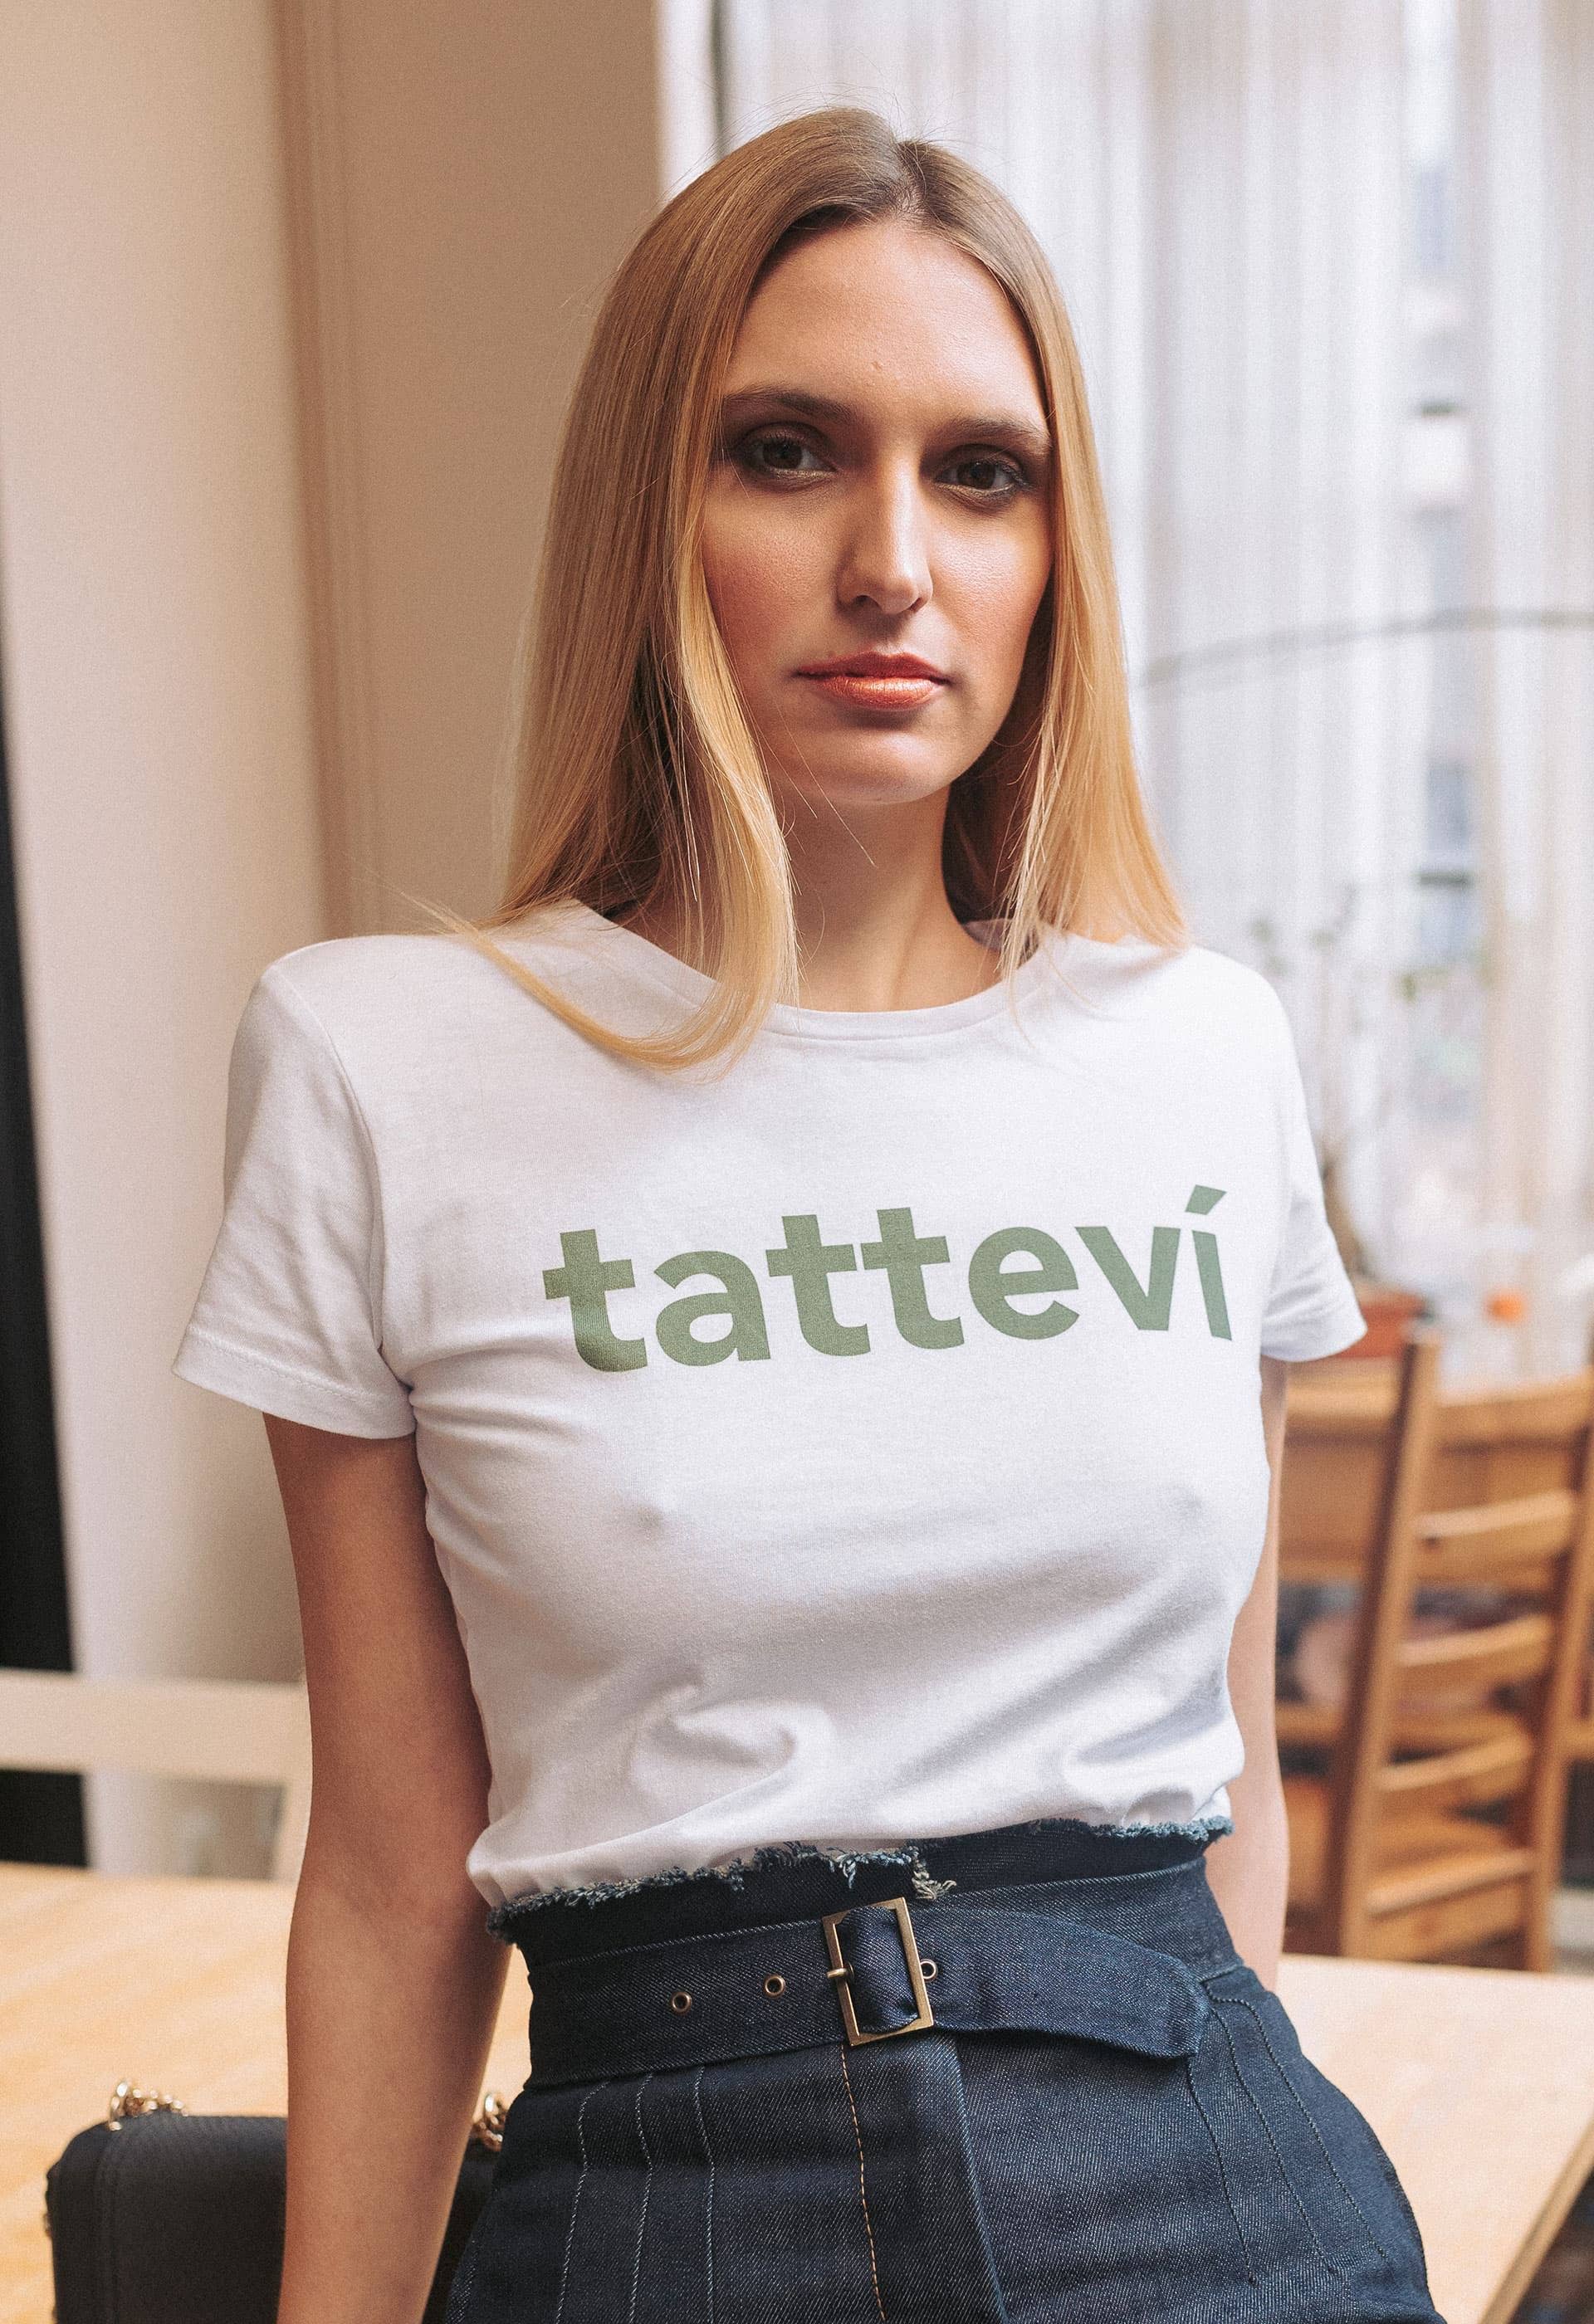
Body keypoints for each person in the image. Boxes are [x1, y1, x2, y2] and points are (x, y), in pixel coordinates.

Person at [174, 105, 1444, 2324]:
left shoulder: (1200, 1051)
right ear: (647, 511)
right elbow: (388, 1876)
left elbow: (1225, 1783)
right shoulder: (379, 1062)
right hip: (665, 2195)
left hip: (1214, 2180)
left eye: (984, 473)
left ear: (1056, 552)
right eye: (786, 453)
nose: (895, 562)